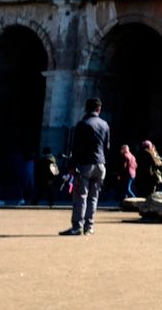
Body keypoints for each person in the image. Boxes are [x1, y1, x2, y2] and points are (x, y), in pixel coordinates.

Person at [60, 97, 110, 236]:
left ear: (86, 108)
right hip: (100, 164)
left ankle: (77, 226)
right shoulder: (105, 125)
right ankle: (90, 226)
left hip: (85, 164)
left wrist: (71, 165)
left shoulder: (83, 124)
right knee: (94, 197)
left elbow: (76, 148)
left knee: (80, 196)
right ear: (99, 109)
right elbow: (107, 147)